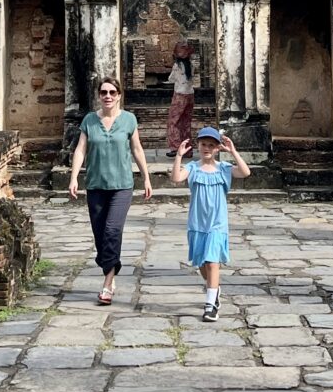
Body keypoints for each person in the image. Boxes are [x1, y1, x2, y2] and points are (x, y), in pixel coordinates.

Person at [68, 76, 152, 305]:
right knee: (100, 234)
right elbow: (80, 150)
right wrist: (74, 177)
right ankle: (110, 267)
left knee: (113, 230)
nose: (107, 96)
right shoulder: (89, 121)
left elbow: (137, 149)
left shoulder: (128, 120)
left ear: (119, 95)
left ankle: (107, 284)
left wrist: (146, 177)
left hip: (122, 186)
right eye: (104, 92)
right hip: (95, 185)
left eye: (112, 92)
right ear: (99, 95)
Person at [171, 125, 251, 321]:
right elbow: (176, 178)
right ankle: (214, 291)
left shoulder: (223, 169)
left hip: (217, 224)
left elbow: (245, 172)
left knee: (213, 261)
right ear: (198, 145)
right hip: (197, 224)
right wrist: (179, 156)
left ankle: (210, 306)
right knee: (202, 264)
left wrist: (233, 151)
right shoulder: (193, 168)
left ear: (217, 148)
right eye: (203, 144)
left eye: (211, 145)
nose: (207, 148)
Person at [165, 40, 195, 158]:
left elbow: (171, 78)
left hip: (180, 94)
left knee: (173, 122)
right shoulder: (191, 65)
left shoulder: (177, 66)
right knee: (186, 123)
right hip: (190, 94)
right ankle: (188, 150)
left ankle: (176, 147)